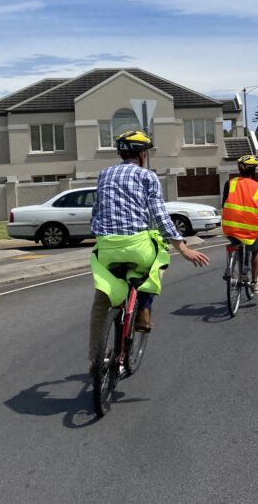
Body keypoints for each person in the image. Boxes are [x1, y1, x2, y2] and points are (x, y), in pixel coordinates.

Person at [87, 130, 209, 374]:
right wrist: (182, 247)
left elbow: (96, 211)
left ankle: (95, 358)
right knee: (160, 258)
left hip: (107, 248)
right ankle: (144, 307)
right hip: (137, 247)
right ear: (142, 155)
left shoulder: (104, 174)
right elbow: (160, 215)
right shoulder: (147, 176)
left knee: (102, 299)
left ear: (121, 153)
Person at [221, 154, 258, 293]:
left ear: (240, 169)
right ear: (254, 170)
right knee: (256, 251)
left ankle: (230, 266)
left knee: (234, 244)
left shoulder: (230, 183)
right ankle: (255, 282)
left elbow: (224, 203)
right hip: (250, 230)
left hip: (230, 226)